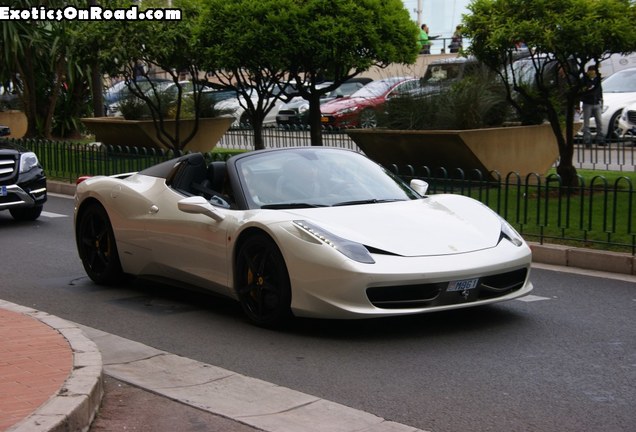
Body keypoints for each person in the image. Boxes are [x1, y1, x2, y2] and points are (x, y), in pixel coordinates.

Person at [580, 65, 605, 147]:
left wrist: (600, 98)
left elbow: (600, 89)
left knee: (599, 122)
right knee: (586, 123)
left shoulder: (597, 79)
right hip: (587, 103)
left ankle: (600, 139)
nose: (593, 73)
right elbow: (582, 90)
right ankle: (587, 140)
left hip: (596, 102)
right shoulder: (584, 79)